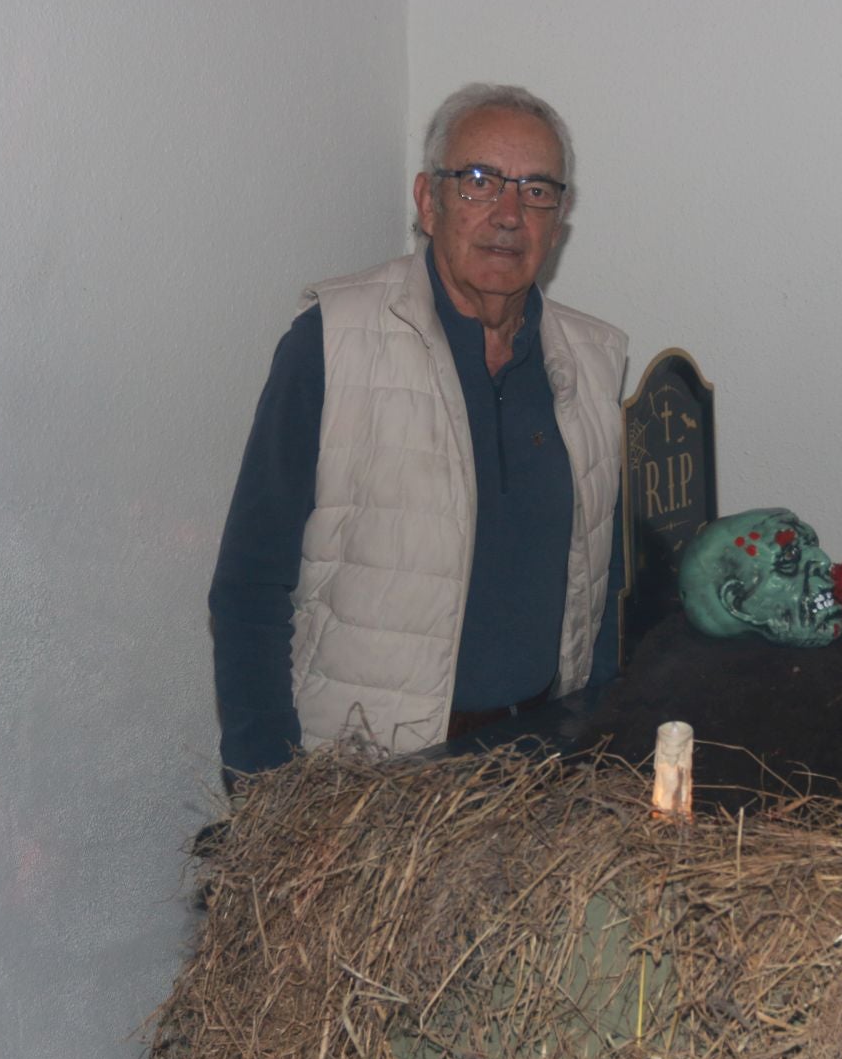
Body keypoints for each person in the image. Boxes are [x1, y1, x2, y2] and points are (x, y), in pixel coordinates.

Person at [209, 84, 628, 777]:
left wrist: (600, 745)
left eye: (536, 191)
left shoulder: (594, 361)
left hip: (540, 770)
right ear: (428, 202)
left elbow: (602, 579)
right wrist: (269, 792)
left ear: (559, 221)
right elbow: (251, 585)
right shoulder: (332, 343)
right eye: (477, 182)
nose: (508, 214)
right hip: (361, 781)